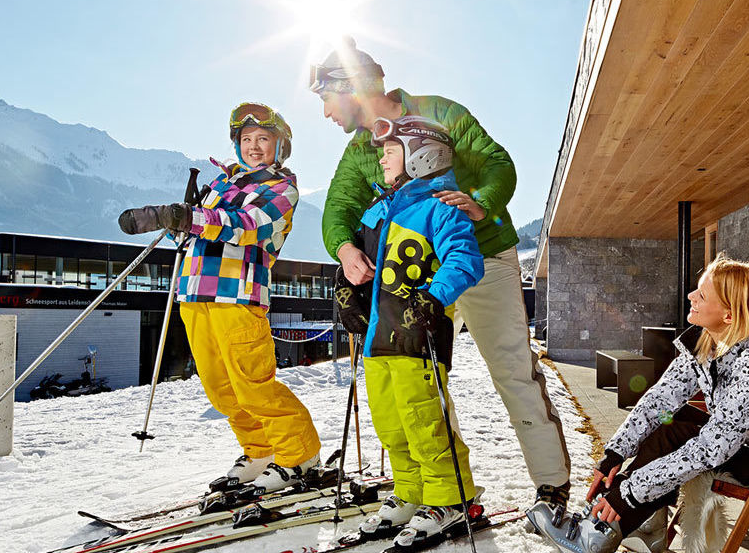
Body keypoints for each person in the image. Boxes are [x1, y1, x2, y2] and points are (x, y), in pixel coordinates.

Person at [309, 37, 572, 514]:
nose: (326, 111)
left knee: (512, 371)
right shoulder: (358, 151)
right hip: (416, 275)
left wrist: (482, 203)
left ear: (354, 87)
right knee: (420, 379)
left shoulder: (440, 111)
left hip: (484, 255)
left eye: (327, 98)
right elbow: (338, 211)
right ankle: (445, 489)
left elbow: (497, 164)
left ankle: (552, 484)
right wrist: (347, 252)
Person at [528, 256, 749, 553]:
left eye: (702, 294)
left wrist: (629, 493)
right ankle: (641, 526)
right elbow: (660, 400)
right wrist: (615, 452)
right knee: (670, 420)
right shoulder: (708, 342)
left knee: (682, 437)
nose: (690, 296)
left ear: (728, 315)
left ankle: (599, 534)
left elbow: (712, 449)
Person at [118, 102, 322, 496]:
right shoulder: (220, 185)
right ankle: (260, 450)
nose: (254, 147)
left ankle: (299, 455)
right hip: (194, 293)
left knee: (253, 384)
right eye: (247, 140)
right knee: (219, 387)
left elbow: (247, 227)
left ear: (280, 147)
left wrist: (189, 217)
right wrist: (177, 223)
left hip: (238, 296)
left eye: (264, 139)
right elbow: (195, 234)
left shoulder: (280, 189)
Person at [337, 115, 486, 544]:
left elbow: (464, 260)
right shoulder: (377, 212)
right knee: (391, 425)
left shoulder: (442, 207)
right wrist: (344, 288)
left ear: (422, 155)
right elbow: (358, 264)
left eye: (391, 147)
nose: (382, 155)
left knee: (425, 422)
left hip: (419, 338)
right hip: (377, 340)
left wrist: (433, 298)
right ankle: (409, 493)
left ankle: (450, 499)